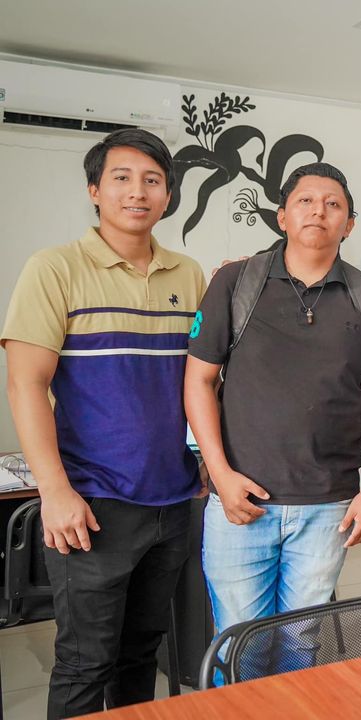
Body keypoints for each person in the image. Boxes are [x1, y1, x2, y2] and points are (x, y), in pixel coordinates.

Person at [1, 129, 205, 718]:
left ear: (168, 195)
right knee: (85, 663)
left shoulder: (188, 274)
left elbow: (200, 383)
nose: (137, 192)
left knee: (141, 654)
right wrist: (55, 492)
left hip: (173, 501)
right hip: (91, 504)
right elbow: (25, 384)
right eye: (121, 178)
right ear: (94, 190)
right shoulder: (54, 269)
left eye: (152, 180)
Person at [184, 162, 361, 637]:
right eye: (305, 201)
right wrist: (220, 475)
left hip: (327, 504)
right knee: (239, 642)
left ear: (349, 224)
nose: (318, 211)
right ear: (282, 216)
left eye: (333, 204)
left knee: (302, 643)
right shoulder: (235, 283)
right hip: (241, 499)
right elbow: (198, 380)